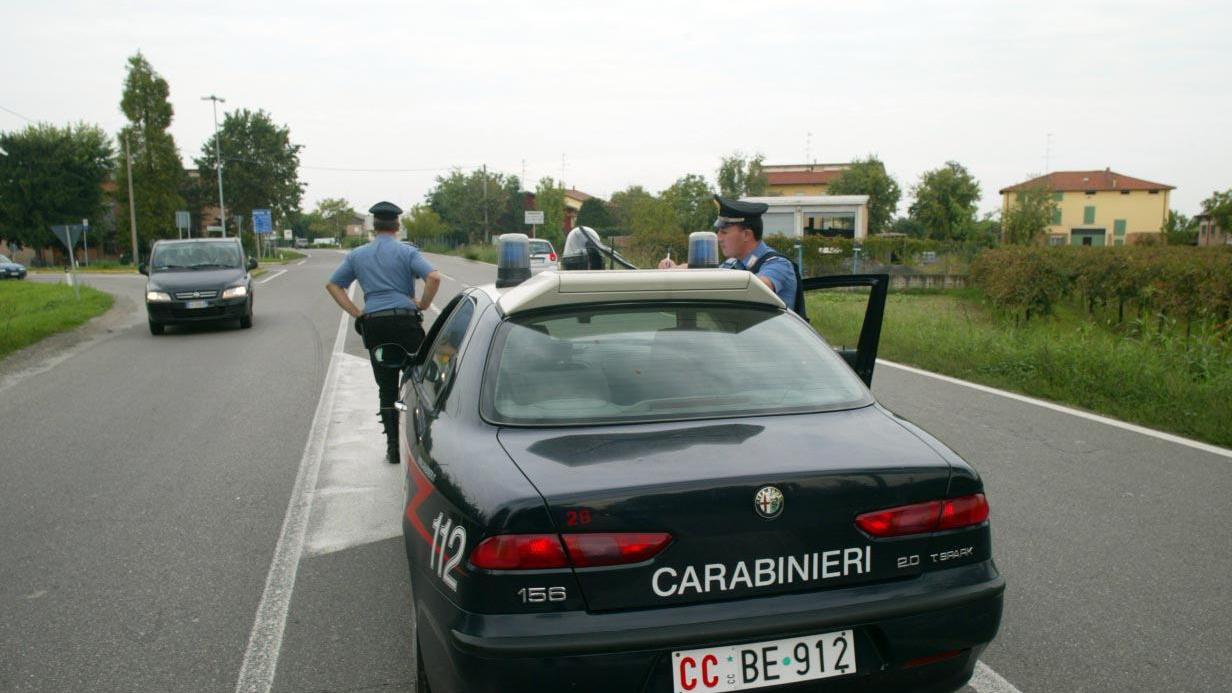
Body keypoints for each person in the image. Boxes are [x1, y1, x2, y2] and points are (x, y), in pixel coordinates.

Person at [325, 201, 442, 464]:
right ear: (397, 225)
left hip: (375, 325)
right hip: (406, 323)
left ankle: (392, 447)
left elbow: (333, 285)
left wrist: (358, 314)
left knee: (386, 386)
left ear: (373, 227)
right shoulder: (407, 252)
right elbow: (434, 277)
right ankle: (425, 442)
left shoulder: (357, 255)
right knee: (419, 380)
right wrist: (423, 304)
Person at [658, 195, 804, 315]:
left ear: (746, 234)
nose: (718, 237)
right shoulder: (733, 263)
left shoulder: (778, 265)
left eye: (724, 232)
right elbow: (711, 274)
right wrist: (676, 269)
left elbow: (754, 288)